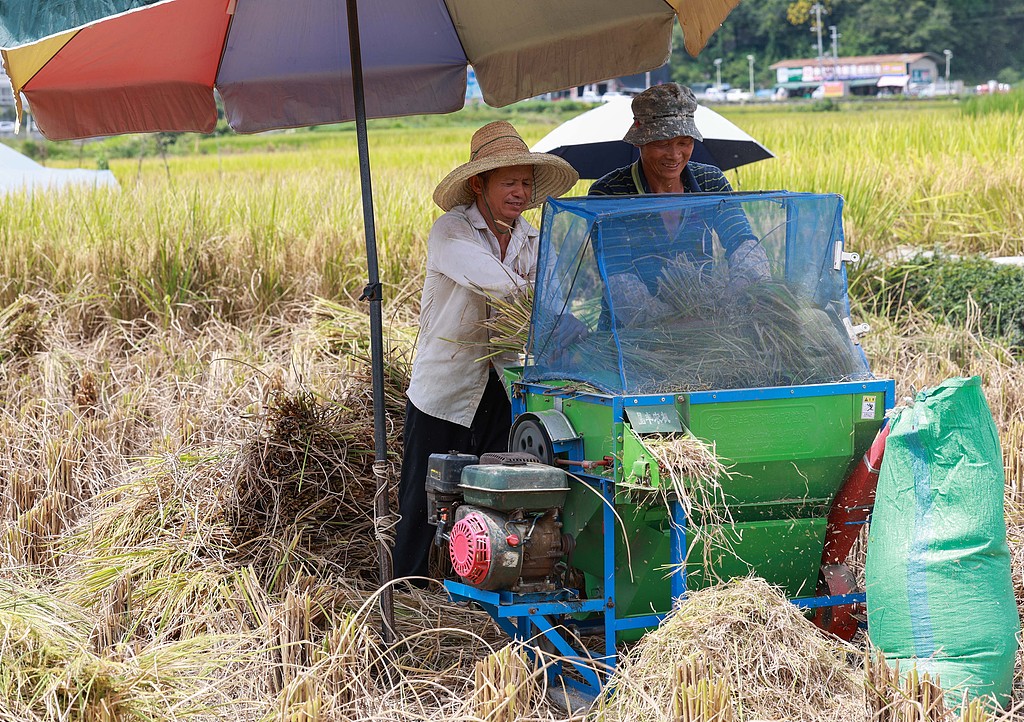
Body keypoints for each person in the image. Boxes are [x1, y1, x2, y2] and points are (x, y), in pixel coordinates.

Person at [392, 121, 579, 584]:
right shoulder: (451, 231)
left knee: (497, 493)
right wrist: (552, 308)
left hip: (506, 387)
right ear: (480, 183)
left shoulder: (532, 238)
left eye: (526, 182)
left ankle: (484, 587)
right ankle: (407, 590)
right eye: (509, 182)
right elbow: (493, 281)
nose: (520, 192)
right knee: (423, 498)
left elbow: (552, 295)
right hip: (446, 388)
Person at [589, 83, 770, 324]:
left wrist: (736, 294)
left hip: (706, 319)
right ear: (640, 141)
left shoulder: (710, 182)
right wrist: (677, 325)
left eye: (684, 143)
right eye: (662, 143)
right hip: (632, 334)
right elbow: (619, 280)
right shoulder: (610, 192)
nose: (674, 155)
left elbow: (743, 243)